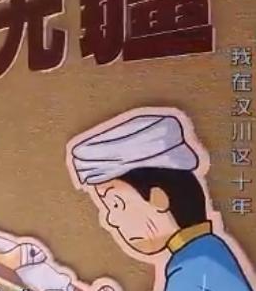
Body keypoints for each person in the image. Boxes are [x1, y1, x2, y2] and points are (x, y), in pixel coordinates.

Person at [68, 108, 255, 291]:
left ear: (159, 198)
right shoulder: (205, 251)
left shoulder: (192, 266)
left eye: (116, 204)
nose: (110, 220)